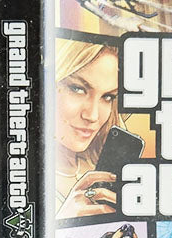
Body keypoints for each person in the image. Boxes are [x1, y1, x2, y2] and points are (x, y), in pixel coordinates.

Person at [54, 38, 125, 219]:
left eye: (107, 97)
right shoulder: (20, 176)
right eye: (77, 89)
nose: (92, 116)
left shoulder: (104, 169)